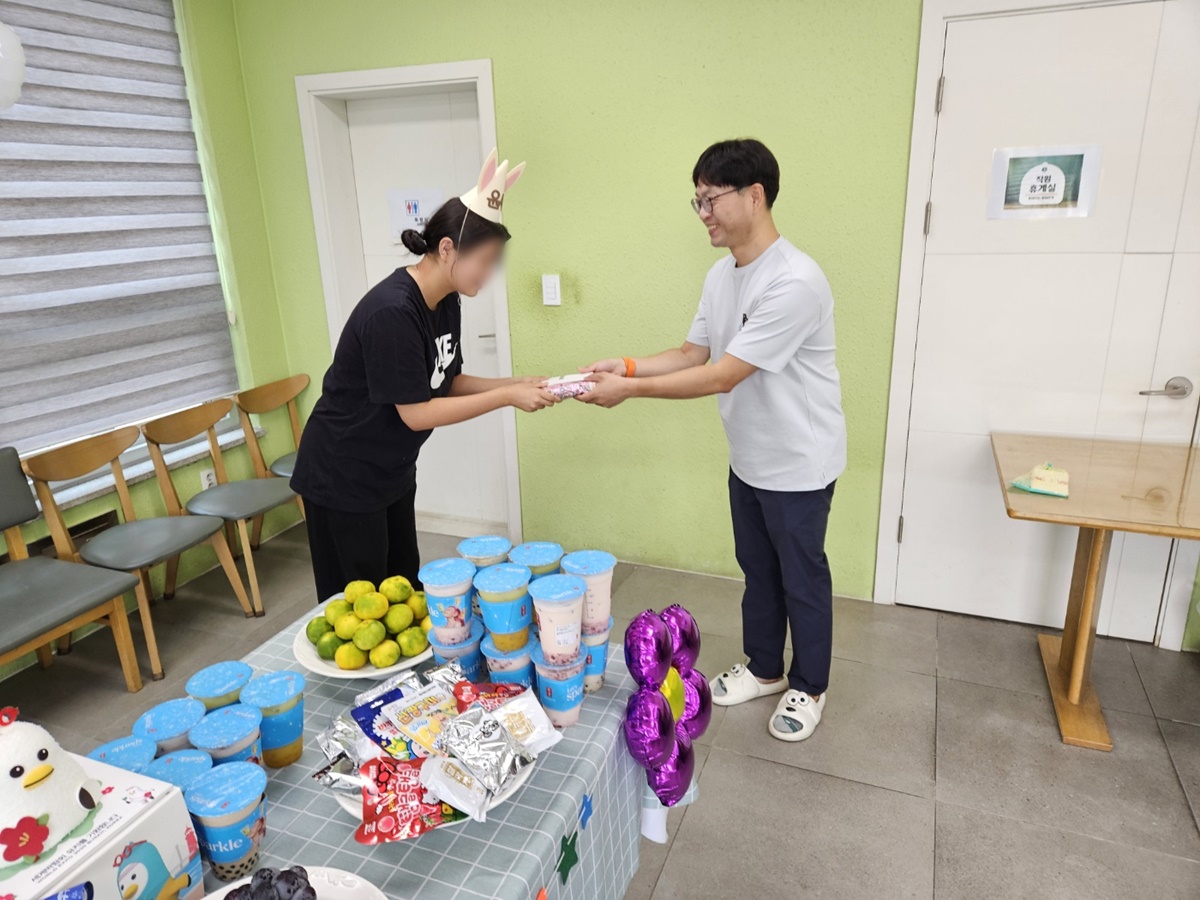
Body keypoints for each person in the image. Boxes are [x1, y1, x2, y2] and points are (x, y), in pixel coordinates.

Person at [578, 139, 846, 742]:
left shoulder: (795, 281)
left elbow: (724, 374)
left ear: (755, 196)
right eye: (696, 200)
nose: (702, 213)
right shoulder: (721, 276)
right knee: (757, 569)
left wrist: (629, 392)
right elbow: (689, 354)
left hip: (799, 461)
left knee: (802, 578)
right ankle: (765, 668)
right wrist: (625, 365)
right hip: (750, 456)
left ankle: (809, 686)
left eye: (711, 199)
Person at [291, 150, 558, 601]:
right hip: (343, 475)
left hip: (391, 470)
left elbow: (447, 380)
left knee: (403, 591)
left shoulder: (447, 300)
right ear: (447, 248)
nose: (489, 274)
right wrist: (507, 398)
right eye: (485, 260)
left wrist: (515, 383)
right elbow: (416, 412)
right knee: (358, 607)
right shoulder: (393, 311)